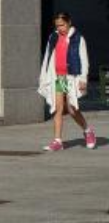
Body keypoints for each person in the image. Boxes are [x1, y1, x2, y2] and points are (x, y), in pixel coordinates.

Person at [38, 12, 95, 151]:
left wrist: (83, 79)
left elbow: (84, 60)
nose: (60, 28)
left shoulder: (78, 38)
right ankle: (58, 141)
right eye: (57, 25)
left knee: (71, 109)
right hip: (59, 77)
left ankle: (88, 131)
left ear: (69, 22)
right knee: (58, 108)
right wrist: (44, 76)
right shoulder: (53, 37)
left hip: (72, 77)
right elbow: (47, 57)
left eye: (62, 25)